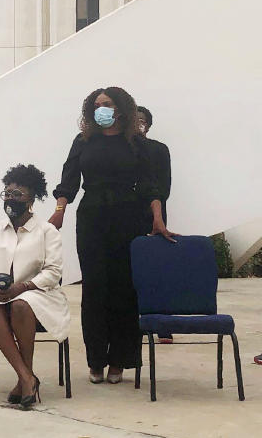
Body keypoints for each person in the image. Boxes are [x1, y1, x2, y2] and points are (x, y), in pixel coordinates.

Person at [48, 87, 176, 385]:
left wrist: (157, 219)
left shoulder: (136, 144)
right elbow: (68, 181)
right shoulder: (83, 142)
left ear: (120, 109)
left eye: (106, 104)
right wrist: (59, 211)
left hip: (127, 216)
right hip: (92, 216)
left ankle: (119, 360)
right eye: (96, 105)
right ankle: (96, 360)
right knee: (94, 288)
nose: (100, 109)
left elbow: (150, 186)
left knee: (123, 289)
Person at [0, 164, 70, 408]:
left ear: (32, 198)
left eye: (17, 194)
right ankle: (27, 377)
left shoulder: (47, 231)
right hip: (1, 294)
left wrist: (24, 286)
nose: (11, 198)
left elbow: (53, 272)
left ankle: (23, 380)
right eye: (7, 193)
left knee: (20, 305)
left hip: (40, 294)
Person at [138, 105, 174, 344]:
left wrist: (156, 213)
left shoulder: (159, 150)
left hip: (155, 216)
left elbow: (164, 186)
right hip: (125, 217)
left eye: (142, 120)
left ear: (148, 126)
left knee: (158, 271)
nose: (138, 124)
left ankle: (162, 324)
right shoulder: (120, 150)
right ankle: (137, 323)